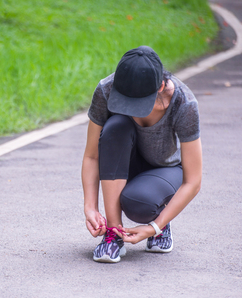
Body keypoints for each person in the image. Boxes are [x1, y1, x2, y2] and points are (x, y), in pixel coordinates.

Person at [82, 46, 202, 263]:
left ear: (161, 86)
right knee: (116, 125)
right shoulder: (106, 89)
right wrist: (89, 206)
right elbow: (91, 156)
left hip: (165, 170)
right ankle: (113, 234)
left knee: (139, 202)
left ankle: (162, 225)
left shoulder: (184, 103)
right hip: (124, 162)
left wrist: (154, 226)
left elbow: (193, 181)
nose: (130, 108)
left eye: (137, 103)